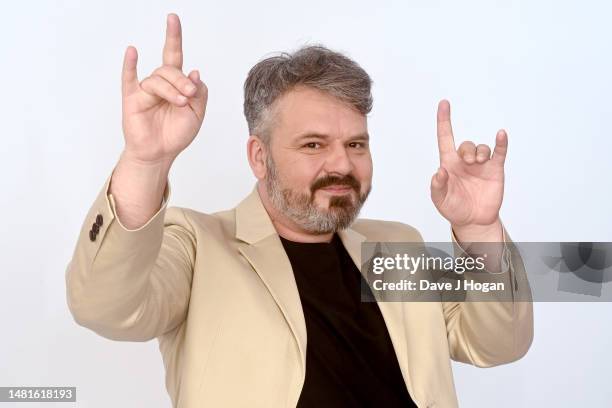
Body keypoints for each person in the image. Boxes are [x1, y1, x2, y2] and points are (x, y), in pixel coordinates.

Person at [65, 13, 533, 408]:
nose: (342, 164)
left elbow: (499, 343)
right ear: (259, 156)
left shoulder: (397, 245)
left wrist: (479, 227)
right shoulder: (197, 244)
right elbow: (103, 307)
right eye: (313, 144)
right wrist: (146, 161)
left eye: (356, 144)